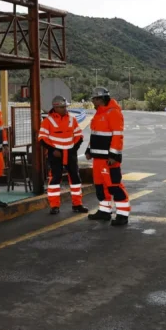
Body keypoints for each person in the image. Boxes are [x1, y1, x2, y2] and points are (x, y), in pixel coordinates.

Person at [85, 87, 129, 226]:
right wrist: (89, 150)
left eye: (94, 99)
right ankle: (104, 212)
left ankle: (122, 215)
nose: (92, 101)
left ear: (101, 99)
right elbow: (95, 135)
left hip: (109, 159)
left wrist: (113, 155)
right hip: (98, 159)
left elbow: (117, 136)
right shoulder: (99, 113)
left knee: (115, 187)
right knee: (100, 187)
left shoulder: (113, 113)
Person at [37, 95, 87, 215]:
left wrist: (74, 149)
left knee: (75, 178)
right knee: (55, 178)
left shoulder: (72, 119)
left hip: (70, 153)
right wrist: (53, 149)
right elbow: (42, 138)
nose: (65, 109)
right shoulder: (48, 121)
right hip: (55, 154)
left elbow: (79, 136)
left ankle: (77, 204)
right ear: (56, 107)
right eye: (62, 107)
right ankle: (54, 206)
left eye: (66, 106)